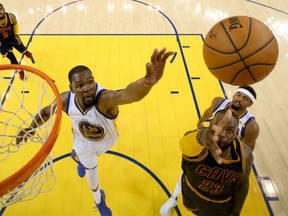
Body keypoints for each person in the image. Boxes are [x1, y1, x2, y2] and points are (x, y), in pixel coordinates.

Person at [16, 48, 174, 216]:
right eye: (80, 85)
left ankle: (76, 155)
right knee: (92, 177)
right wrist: (30, 128)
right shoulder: (65, 99)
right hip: (83, 142)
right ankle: (99, 200)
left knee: (87, 153)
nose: (87, 88)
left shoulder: (105, 99)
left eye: (90, 82)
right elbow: (46, 112)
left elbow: (129, 95)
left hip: (107, 140)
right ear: (72, 88)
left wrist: (147, 82)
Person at [160, 85, 259, 216]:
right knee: (187, 172)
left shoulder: (250, 126)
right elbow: (208, 112)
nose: (239, 99)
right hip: (207, 149)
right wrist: (200, 124)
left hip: (224, 165)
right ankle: (173, 198)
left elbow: (245, 155)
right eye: (238, 95)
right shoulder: (219, 103)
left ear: (250, 103)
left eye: (245, 98)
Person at [179, 109, 253, 215]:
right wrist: (201, 136)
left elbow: (242, 185)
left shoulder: (245, 156)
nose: (222, 134)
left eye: (229, 130)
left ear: (236, 134)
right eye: (220, 127)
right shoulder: (196, 143)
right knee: (193, 211)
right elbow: (184, 144)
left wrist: (236, 213)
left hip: (219, 203)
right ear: (212, 124)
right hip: (191, 191)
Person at [0, 3, 33, 80]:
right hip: (3, 42)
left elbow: (16, 27)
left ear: (3, 8)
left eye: (0, 9)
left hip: (12, 37)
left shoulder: (11, 17)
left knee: (23, 50)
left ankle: (26, 52)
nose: (0, 12)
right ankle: (20, 71)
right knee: (12, 59)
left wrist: (16, 35)